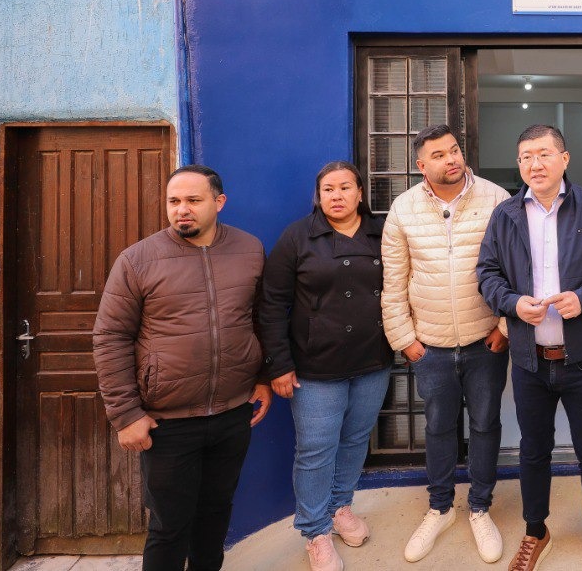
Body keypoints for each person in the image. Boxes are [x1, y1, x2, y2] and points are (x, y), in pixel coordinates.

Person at [93, 165, 272, 571]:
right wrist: (126, 415)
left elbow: (261, 319)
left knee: (215, 516)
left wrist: (262, 377)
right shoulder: (138, 259)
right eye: (174, 201)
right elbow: (110, 337)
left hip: (232, 413)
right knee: (169, 526)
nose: (182, 209)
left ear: (219, 202)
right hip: (167, 422)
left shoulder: (249, 250)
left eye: (193, 200)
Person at [477, 124, 582, 571]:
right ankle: (535, 531)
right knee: (533, 451)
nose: (535, 164)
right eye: (526, 156)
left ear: (564, 159)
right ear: (519, 164)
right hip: (530, 361)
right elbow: (487, 273)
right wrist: (511, 303)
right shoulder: (505, 214)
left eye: (544, 154)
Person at [381, 124, 511, 564]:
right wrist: (405, 339)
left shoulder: (496, 199)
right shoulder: (404, 208)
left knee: (485, 424)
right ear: (422, 166)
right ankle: (440, 507)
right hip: (430, 346)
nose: (451, 159)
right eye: (438, 155)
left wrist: (505, 328)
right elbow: (394, 282)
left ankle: (479, 507)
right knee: (438, 426)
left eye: (454, 150)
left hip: (485, 342)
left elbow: (518, 269)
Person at [260, 161, 394, 571]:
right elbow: (271, 303)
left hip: (372, 358)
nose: (337, 196)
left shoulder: (381, 232)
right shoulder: (298, 236)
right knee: (316, 449)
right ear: (318, 197)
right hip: (315, 364)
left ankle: (340, 507)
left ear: (360, 193)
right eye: (328, 189)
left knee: (355, 440)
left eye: (345, 187)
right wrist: (278, 365)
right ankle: (315, 531)